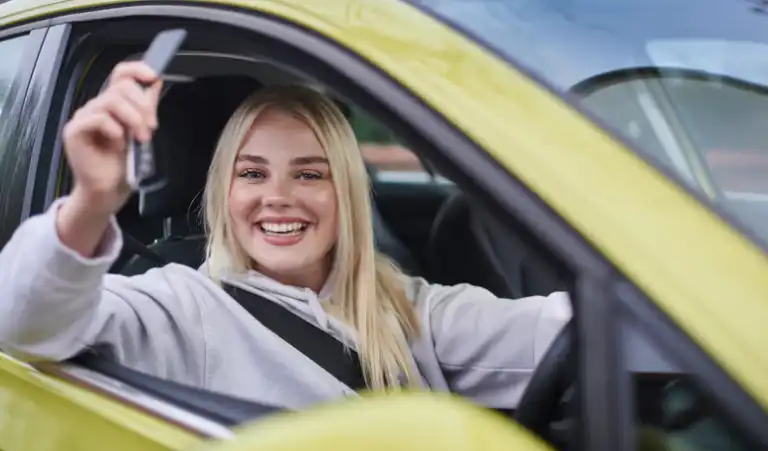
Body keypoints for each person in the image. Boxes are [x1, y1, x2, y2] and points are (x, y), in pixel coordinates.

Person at [0, 61, 570, 410]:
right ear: (224, 191)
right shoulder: (179, 304)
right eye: (252, 173)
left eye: (309, 173)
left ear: (345, 191)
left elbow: (556, 333)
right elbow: (22, 324)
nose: (279, 196)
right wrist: (91, 204)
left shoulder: (402, 306)